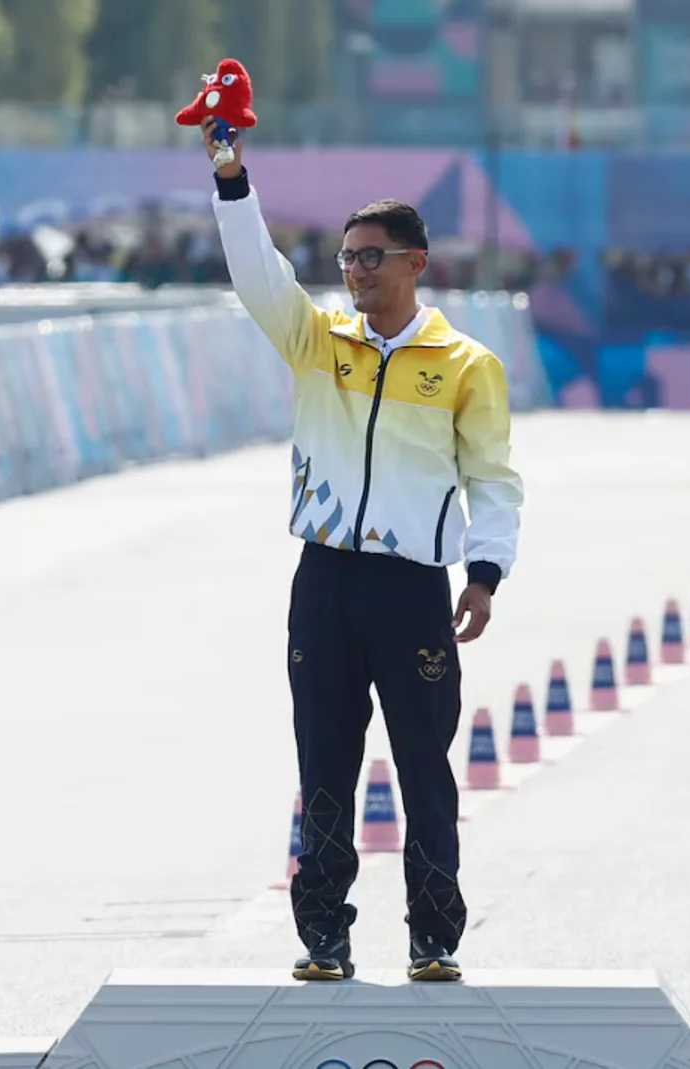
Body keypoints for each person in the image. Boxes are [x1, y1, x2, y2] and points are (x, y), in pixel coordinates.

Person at [200, 118, 524, 983]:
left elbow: (493, 478)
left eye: (371, 255)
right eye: (346, 256)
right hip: (325, 579)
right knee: (326, 760)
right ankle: (325, 935)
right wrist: (233, 177)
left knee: (424, 766)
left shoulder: (466, 364)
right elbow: (258, 276)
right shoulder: (318, 340)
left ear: (417, 262)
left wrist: (485, 573)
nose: (354, 270)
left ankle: (433, 934)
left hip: (413, 585)